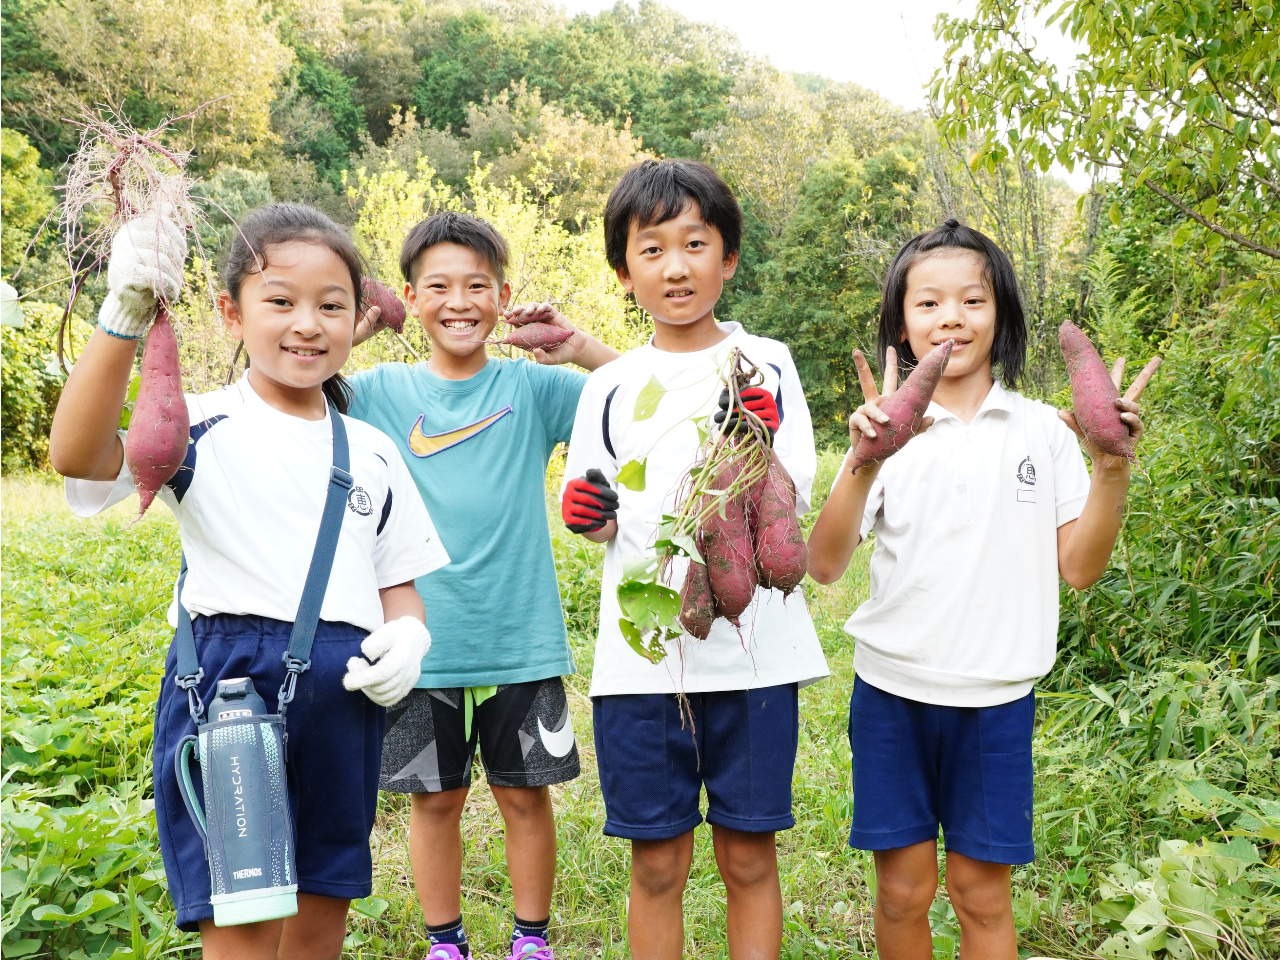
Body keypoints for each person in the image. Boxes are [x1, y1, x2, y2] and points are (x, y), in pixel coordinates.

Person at [48, 204, 449, 960]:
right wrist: (125, 314)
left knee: (323, 909)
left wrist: (409, 634)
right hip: (231, 691)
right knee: (243, 919)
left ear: (357, 315)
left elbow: (398, 579)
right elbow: (77, 454)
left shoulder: (373, 451)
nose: (308, 323)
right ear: (231, 312)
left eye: (332, 306)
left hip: (345, 694)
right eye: (281, 301)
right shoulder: (194, 426)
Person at [805, 219, 1157, 960]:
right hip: (893, 695)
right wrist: (863, 461)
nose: (951, 318)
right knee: (901, 893)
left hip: (995, 702)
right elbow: (825, 563)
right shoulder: (884, 436)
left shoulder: (1043, 432)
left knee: (981, 894)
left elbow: (1080, 569)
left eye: (972, 300)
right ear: (900, 324)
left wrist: (1112, 468)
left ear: (1001, 318)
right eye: (928, 303)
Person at [559, 158, 829, 960]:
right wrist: (589, 516)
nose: (675, 266)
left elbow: (794, 500)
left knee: (749, 855)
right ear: (623, 273)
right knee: (657, 865)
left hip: (755, 659)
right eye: (652, 250)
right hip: (644, 659)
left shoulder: (768, 362)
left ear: (729, 258)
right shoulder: (610, 385)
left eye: (695, 243)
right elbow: (596, 504)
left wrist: (761, 436)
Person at [348, 211, 620, 959]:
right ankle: (445, 943)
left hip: (517, 631)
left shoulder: (532, 388)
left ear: (504, 296)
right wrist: (359, 327)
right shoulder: (378, 389)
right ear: (411, 294)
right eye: (437, 286)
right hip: (415, 638)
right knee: (433, 801)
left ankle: (531, 940)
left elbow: (639, 387)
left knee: (525, 797)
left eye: (478, 285)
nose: (459, 301)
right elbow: (287, 384)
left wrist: (579, 345)